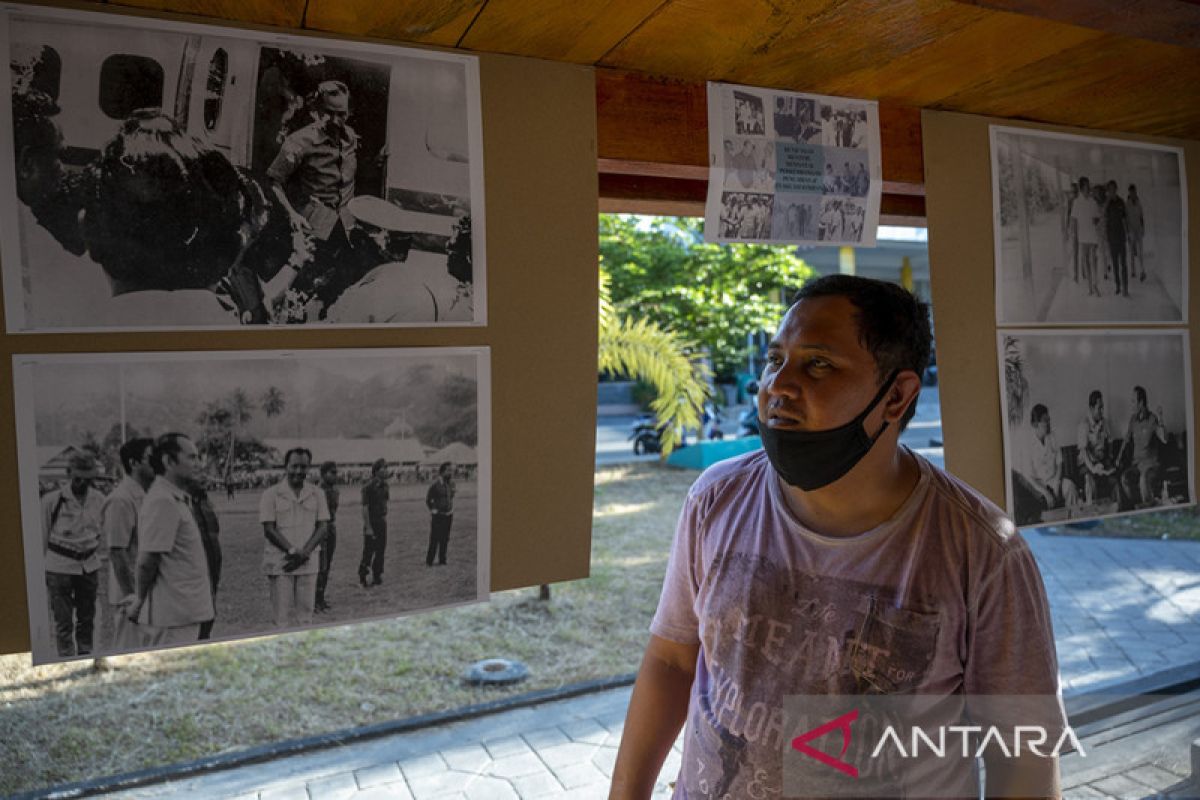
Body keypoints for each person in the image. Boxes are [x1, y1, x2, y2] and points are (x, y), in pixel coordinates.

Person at [610, 275, 1062, 799]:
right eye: (775, 359)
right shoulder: (716, 499)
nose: (777, 386)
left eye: (818, 364)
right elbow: (671, 660)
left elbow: (1023, 757)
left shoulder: (983, 552)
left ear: (896, 396)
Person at [268, 81, 360, 313]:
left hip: (346, 227)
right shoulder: (299, 141)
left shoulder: (351, 138)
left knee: (339, 288)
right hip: (314, 227)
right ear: (316, 111)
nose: (336, 120)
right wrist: (292, 214)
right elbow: (274, 181)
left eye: (342, 114)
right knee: (301, 290)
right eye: (329, 113)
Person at [323, 196, 473, 323]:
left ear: (361, 241)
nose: (351, 246)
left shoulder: (373, 293)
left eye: (355, 238)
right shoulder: (415, 286)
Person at [127, 434, 214, 647]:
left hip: (183, 612)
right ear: (168, 461)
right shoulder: (162, 500)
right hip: (173, 617)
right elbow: (147, 560)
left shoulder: (173, 498)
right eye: (191, 457)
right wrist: (139, 599)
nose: (198, 464)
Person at [42, 450, 105, 658]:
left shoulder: (99, 499)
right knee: (63, 622)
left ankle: (85, 655)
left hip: (88, 566)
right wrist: (43, 571)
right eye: (78, 478)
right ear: (69, 473)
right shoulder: (52, 501)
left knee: (87, 620)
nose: (83, 483)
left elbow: (100, 531)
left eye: (88, 479)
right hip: (59, 567)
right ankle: (66, 658)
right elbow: (42, 536)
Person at [258, 448, 331, 628]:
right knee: (281, 618)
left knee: (305, 618)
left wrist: (304, 553)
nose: (298, 471)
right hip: (281, 562)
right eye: (294, 466)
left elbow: (322, 527)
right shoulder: (271, 494)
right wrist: (292, 551)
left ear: (309, 468)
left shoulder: (317, 493)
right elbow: (269, 529)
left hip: (308, 562)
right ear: (286, 466)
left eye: (303, 467)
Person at [100, 437, 155, 652]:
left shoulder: (146, 495)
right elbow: (117, 553)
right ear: (134, 463)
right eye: (151, 458)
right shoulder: (121, 499)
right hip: (132, 594)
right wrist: (133, 597)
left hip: (150, 590)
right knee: (129, 652)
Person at [1117, 386, 1168, 507]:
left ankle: (1147, 506)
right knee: (1125, 478)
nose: (1131, 405)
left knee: (1143, 478)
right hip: (1137, 465)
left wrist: (1161, 418)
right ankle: (1138, 505)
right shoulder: (1133, 420)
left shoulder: (1152, 419)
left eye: (1133, 401)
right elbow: (1126, 440)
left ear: (1141, 403)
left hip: (1151, 466)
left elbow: (1164, 439)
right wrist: (1118, 457)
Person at [1024, 403, 1079, 512]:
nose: (1049, 423)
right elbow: (1029, 478)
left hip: (1055, 480)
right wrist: (1045, 492)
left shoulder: (1053, 437)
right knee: (1045, 501)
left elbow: (1059, 462)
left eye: (1049, 420)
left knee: (1070, 486)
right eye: (1045, 421)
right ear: (1036, 424)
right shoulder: (1027, 444)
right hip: (1040, 486)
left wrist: (1057, 482)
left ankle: (1072, 518)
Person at [187, 479, 222, 640]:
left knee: (209, 609)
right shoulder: (185, 507)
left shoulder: (204, 504)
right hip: (198, 563)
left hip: (211, 560)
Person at [1076, 390, 1118, 505]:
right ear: (1091, 408)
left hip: (1101, 462)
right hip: (1086, 465)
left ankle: (1115, 509)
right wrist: (1093, 469)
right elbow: (1084, 452)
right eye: (1099, 408)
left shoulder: (1105, 422)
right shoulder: (1084, 425)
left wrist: (1109, 459)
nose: (1102, 411)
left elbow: (1110, 442)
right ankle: (1094, 511)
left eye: (1102, 407)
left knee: (1115, 480)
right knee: (1091, 483)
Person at [359, 458, 390, 587]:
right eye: (383, 468)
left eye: (386, 468)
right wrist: (368, 527)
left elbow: (385, 502)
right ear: (376, 471)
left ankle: (377, 574)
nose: (386, 470)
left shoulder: (385, 486)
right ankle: (363, 575)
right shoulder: (368, 487)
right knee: (369, 550)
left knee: (381, 550)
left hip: (381, 521)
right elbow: (365, 508)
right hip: (372, 521)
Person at [315, 461, 340, 612]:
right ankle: (315, 600)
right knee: (320, 567)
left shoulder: (335, 490)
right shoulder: (317, 491)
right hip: (320, 529)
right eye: (332, 472)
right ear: (323, 474)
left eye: (336, 472)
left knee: (327, 565)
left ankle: (321, 598)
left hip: (331, 528)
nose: (336, 475)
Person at [1070, 176, 1100, 297]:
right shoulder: (1076, 202)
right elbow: (1073, 219)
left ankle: (1095, 284)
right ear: (1082, 188)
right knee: (1086, 261)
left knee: (1093, 261)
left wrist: (1096, 221)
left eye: (1089, 186)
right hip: (1082, 236)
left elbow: (1097, 217)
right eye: (1087, 186)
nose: (1089, 188)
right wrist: (1073, 233)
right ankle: (1090, 287)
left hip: (1092, 235)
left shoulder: (1093, 202)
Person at [425, 462, 456, 567]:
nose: (451, 472)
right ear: (442, 472)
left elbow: (451, 496)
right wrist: (433, 509)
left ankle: (442, 559)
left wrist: (450, 508)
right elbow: (428, 499)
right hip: (438, 516)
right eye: (448, 470)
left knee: (445, 538)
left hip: (448, 515)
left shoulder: (451, 484)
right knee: (435, 538)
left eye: (451, 470)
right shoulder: (435, 485)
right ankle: (430, 561)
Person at [1104, 180, 1129, 297]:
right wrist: (1107, 201)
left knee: (1123, 263)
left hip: (1121, 236)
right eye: (1110, 189)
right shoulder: (1107, 204)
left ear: (1116, 189)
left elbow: (1124, 219)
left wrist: (1127, 234)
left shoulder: (1121, 202)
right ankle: (1118, 285)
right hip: (1111, 238)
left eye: (1114, 188)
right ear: (1108, 191)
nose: (1112, 191)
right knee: (1115, 264)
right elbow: (1104, 218)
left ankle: (1125, 287)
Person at [1128, 183, 1145, 281]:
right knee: (1131, 252)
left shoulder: (1139, 203)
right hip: (1131, 230)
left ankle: (1142, 270)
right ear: (1129, 193)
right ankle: (1133, 271)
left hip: (1138, 229)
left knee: (1139, 251)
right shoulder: (1127, 204)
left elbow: (1141, 217)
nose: (1133, 193)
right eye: (1131, 192)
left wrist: (1143, 229)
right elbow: (1126, 218)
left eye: (1134, 191)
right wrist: (1127, 232)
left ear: (1136, 191)